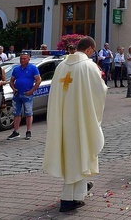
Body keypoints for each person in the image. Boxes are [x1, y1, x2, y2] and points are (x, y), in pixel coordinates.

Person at [43, 36, 107, 212]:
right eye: (93, 51)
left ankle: (74, 195)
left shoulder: (62, 66)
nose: (93, 54)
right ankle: (69, 198)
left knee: (71, 157)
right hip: (80, 120)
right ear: (89, 49)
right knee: (80, 154)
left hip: (63, 120)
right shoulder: (88, 66)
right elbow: (100, 91)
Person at [7, 52, 41, 141]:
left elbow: (38, 80)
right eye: (21, 59)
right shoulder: (16, 69)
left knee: (28, 113)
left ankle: (28, 131)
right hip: (17, 94)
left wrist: (32, 91)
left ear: (28, 59)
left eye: (24, 59)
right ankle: (16, 131)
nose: (22, 60)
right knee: (16, 113)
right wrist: (13, 89)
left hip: (27, 94)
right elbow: (11, 81)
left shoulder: (33, 68)